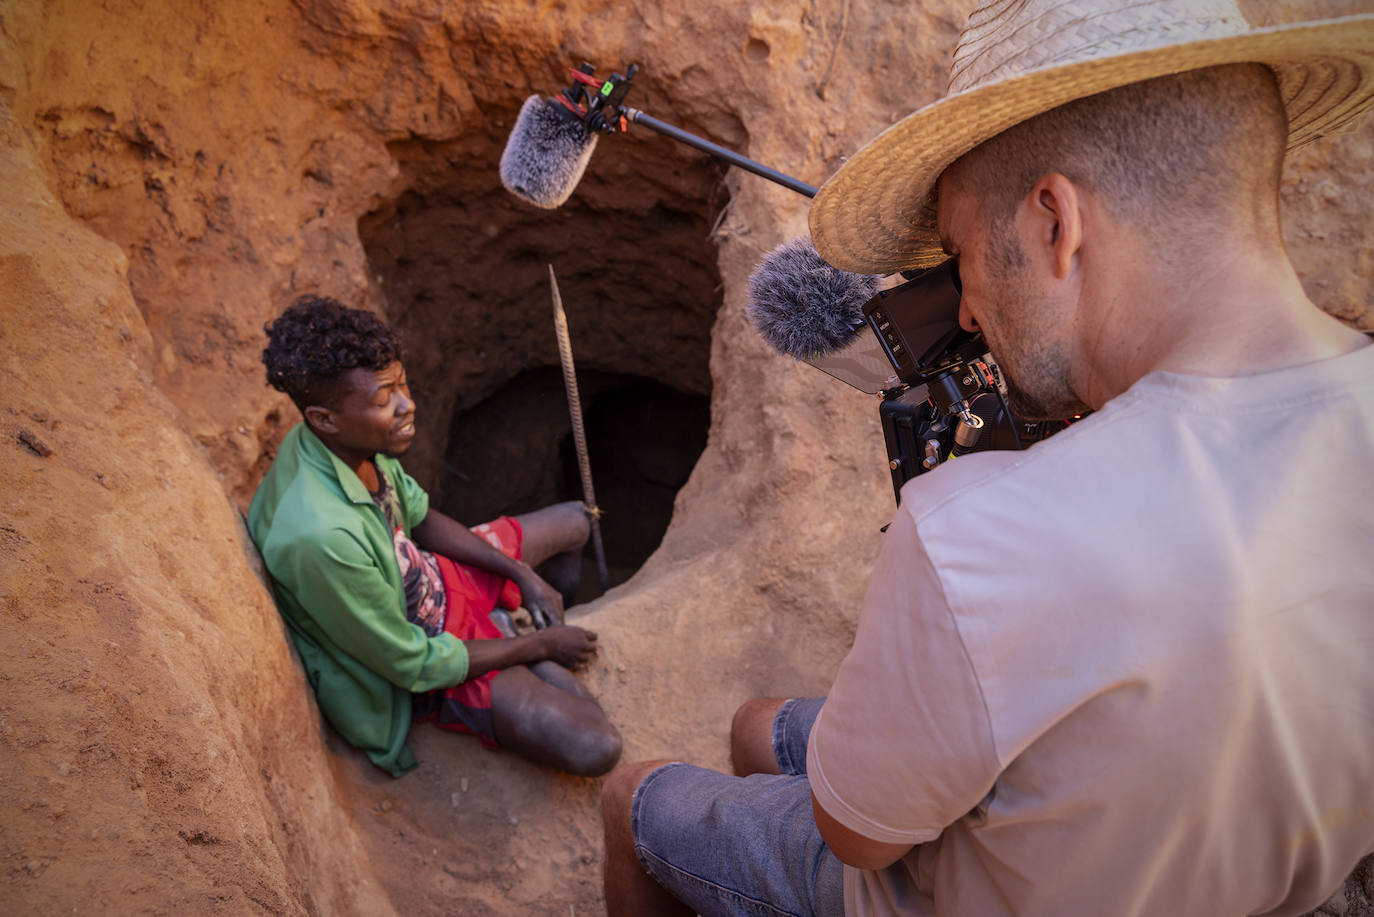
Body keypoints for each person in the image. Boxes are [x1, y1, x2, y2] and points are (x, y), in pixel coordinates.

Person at [601, 1, 1374, 915]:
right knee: (758, 730)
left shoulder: (981, 529)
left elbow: (858, 835)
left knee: (634, 796)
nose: (964, 312)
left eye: (962, 254)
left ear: (1057, 223)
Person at [248, 295, 622, 778]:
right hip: (430, 653)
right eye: (385, 399)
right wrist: (541, 648)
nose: (408, 406)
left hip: (431, 580)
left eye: (402, 385)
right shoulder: (321, 537)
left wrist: (520, 573)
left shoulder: (345, 443)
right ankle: (520, 640)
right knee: (597, 744)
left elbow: (420, 519)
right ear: (324, 417)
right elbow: (409, 663)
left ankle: (526, 623)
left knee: (576, 519)